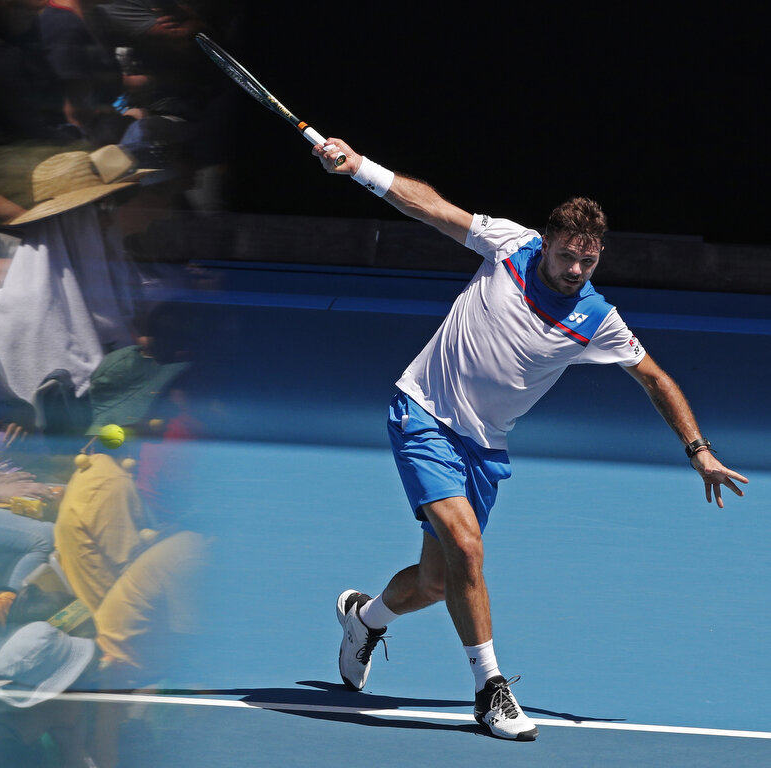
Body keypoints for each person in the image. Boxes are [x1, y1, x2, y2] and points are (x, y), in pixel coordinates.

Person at [312, 137, 749, 741]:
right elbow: (429, 208)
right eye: (568, 256)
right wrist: (358, 167)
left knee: (438, 583)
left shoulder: (596, 318)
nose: (575, 271)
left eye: (587, 262)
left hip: (485, 448)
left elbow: (655, 379)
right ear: (548, 243)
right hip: (423, 412)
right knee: (466, 549)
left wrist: (698, 451)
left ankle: (365, 617)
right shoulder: (510, 243)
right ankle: (491, 691)